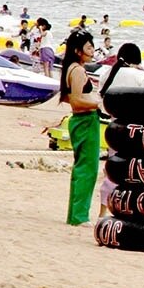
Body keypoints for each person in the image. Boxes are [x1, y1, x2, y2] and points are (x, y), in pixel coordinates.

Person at [97, 43, 144, 217]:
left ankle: (102, 212)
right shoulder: (139, 76)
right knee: (132, 171)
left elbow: (101, 100)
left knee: (112, 170)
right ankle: (126, 210)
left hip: (114, 128)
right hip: (134, 130)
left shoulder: (107, 73)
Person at [59, 30, 101, 226]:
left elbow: (69, 97)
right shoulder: (77, 70)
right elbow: (75, 100)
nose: (92, 50)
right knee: (88, 169)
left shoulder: (72, 68)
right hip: (85, 120)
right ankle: (79, 216)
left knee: (82, 168)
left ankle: (75, 214)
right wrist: (97, 104)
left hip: (82, 120)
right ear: (78, 51)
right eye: (88, 47)